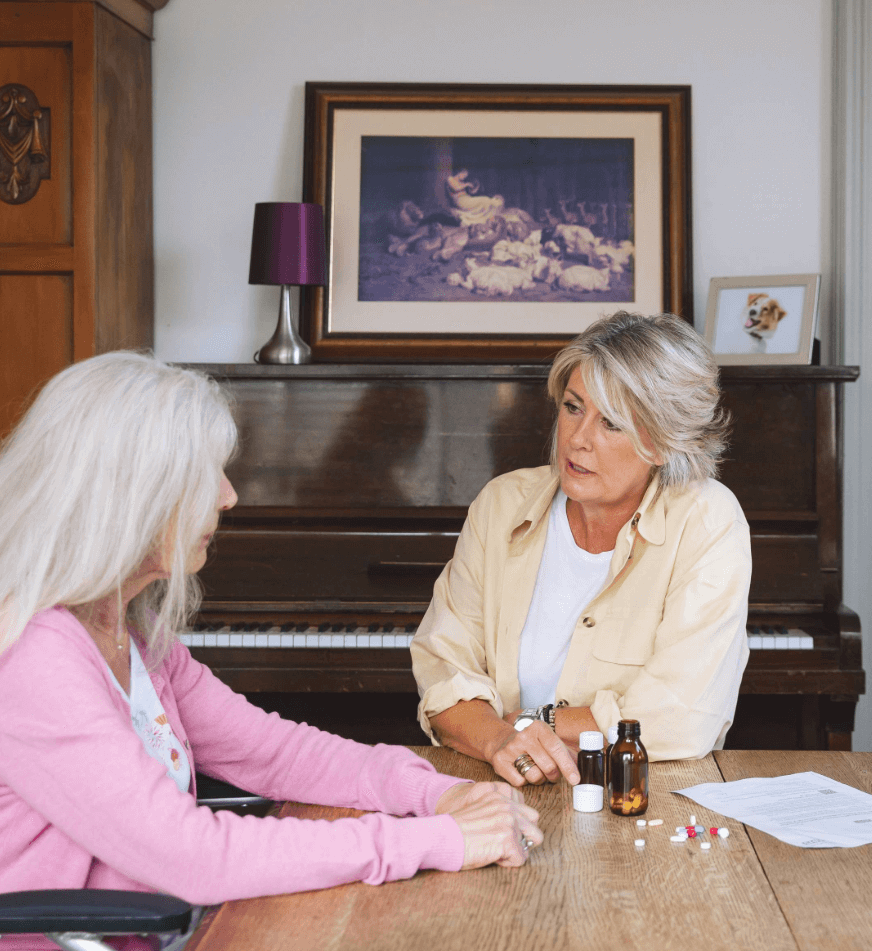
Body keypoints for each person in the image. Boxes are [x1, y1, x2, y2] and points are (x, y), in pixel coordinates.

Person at [0, 353, 541, 947]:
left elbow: (281, 754)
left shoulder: (135, 635)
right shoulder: (35, 656)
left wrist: (441, 792)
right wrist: (438, 841)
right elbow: (193, 857)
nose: (230, 497)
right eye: (208, 474)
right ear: (135, 492)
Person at [411, 311, 752, 788]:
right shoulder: (501, 505)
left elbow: (682, 716)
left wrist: (531, 722)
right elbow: (443, 668)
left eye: (611, 423)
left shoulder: (706, 518)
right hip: (497, 786)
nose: (577, 438)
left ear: (661, 440)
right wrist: (497, 741)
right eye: (573, 407)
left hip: (639, 798)